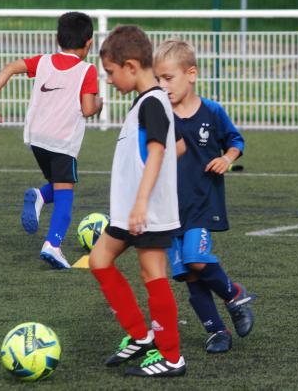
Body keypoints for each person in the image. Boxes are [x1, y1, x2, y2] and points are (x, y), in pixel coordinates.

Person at [89, 25, 186, 377]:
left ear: (131, 66)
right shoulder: (144, 103)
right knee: (99, 260)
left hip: (146, 210)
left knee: (153, 272)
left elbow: (157, 152)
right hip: (129, 210)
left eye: (111, 73)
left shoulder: (154, 103)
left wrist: (143, 202)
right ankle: (141, 336)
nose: (110, 81)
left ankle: (172, 356)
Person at [154, 39, 256, 354]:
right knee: (187, 274)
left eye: (168, 78)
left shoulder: (212, 111)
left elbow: (235, 140)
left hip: (202, 201)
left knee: (196, 259)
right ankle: (216, 331)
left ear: (192, 74)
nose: (162, 85)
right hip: (169, 208)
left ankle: (234, 294)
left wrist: (228, 158)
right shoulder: (159, 115)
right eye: (158, 79)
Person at [0, 11, 102, 269]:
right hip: (62, 142)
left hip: (36, 138)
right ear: (89, 43)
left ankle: (38, 196)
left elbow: (11, 67)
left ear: (57, 38)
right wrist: (100, 103)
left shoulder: (44, 61)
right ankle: (53, 245)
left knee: (59, 186)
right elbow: (88, 109)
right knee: (65, 195)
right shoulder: (87, 70)